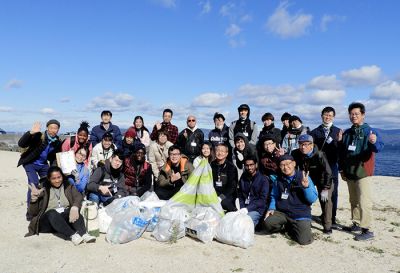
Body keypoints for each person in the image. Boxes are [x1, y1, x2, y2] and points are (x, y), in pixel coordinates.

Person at [338, 102, 384, 241]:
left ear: (363, 115)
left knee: (364, 201)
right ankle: (356, 224)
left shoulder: (370, 131)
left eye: (357, 114)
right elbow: (342, 153)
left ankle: (367, 229)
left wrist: (374, 142)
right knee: (353, 200)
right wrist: (340, 142)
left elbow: (378, 148)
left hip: (363, 172)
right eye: (351, 114)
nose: (354, 116)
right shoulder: (347, 133)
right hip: (350, 172)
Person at [25, 166, 96, 245]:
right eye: (53, 178)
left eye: (59, 177)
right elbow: (33, 213)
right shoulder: (42, 189)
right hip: (47, 222)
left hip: (62, 220)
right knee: (52, 212)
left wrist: (75, 207)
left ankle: (84, 234)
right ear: (49, 179)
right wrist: (34, 199)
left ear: (62, 176)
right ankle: (73, 235)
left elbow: (78, 196)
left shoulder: (68, 186)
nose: (57, 180)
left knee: (72, 210)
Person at [263, 154, 318, 245]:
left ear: (294, 164)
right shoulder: (278, 180)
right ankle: (287, 225)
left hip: (300, 213)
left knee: (304, 241)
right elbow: (274, 195)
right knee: (267, 223)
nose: (286, 167)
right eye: (282, 165)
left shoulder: (304, 177)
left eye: (288, 164)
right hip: (283, 212)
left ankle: (298, 226)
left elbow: (312, 199)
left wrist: (306, 187)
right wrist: (271, 208)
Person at [18, 120, 62, 220]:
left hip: (43, 165)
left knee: (48, 183)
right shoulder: (39, 136)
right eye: (51, 128)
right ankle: (30, 212)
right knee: (34, 184)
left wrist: (54, 168)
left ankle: (44, 207)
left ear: (58, 129)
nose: (53, 130)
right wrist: (30, 133)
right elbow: (21, 144)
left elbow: (54, 157)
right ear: (47, 128)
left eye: (56, 128)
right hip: (30, 163)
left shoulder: (57, 142)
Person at [292, 134, 334, 234]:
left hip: (323, 180)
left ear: (312, 145)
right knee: (303, 196)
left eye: (306, 144)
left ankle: (327, 226)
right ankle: (305, 219)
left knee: (326, 200)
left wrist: (326, 188)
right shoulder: (295, 153)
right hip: (307, 179)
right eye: (301, 144)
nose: (303, 147)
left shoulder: (319, 154)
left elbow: (328, 172)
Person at [311, 106, 342, 227]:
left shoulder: (338, 131)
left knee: (333, 192)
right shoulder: (314, 132)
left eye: (330, 115)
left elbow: (342, 151)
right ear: (321, 116)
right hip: (319, 166)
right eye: (325, 115)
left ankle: (332, 217)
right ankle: (325, 213)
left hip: (333, 165)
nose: (327, 117)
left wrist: (339, 141)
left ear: (333, 117)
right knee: (320, 190)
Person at [238, 156, 270, 227]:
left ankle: (258, 223)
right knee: (235, 219)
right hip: (244, 207)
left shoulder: (263, 179)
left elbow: (263, 200)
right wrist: (242, 207)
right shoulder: (243, 177)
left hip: (257, 209)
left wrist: (247, 209)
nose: (249, 168)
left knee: (245, 222)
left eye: (251, 165)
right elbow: (240, 194)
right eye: (247, 165)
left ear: (256, 165)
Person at [210, 144, 238, 212]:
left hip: (227, 195)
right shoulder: (211, 165)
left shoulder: (231, 167)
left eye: (222, 151)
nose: (219, 153)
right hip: (214, 194)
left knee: (224, 203)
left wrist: (221, 198)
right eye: (217, 151)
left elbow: (232, 187)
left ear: (226, 153)